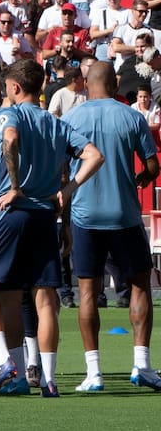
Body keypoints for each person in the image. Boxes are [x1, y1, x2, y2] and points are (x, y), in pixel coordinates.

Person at [0, 58, 103, 397]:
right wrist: (69, 189)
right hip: (46, 214)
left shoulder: (11, 115)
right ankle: (49, 380)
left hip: (12, 213)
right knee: (44, 299)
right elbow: (94, 155)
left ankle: (4, 362)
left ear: (13, 87)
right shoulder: (56, 123)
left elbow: (9, 140)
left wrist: (14, 185)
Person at [63, 62, 161, 392]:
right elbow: (152, 165)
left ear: (87, 84)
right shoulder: (132, 116)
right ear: (115, 82)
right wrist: (140, 179)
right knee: (139, 286)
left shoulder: (72, 118)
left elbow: (61, 170)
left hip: (85, 216)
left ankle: (94, 373)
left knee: (88, 292)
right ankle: (142, 365)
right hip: (124, 215)